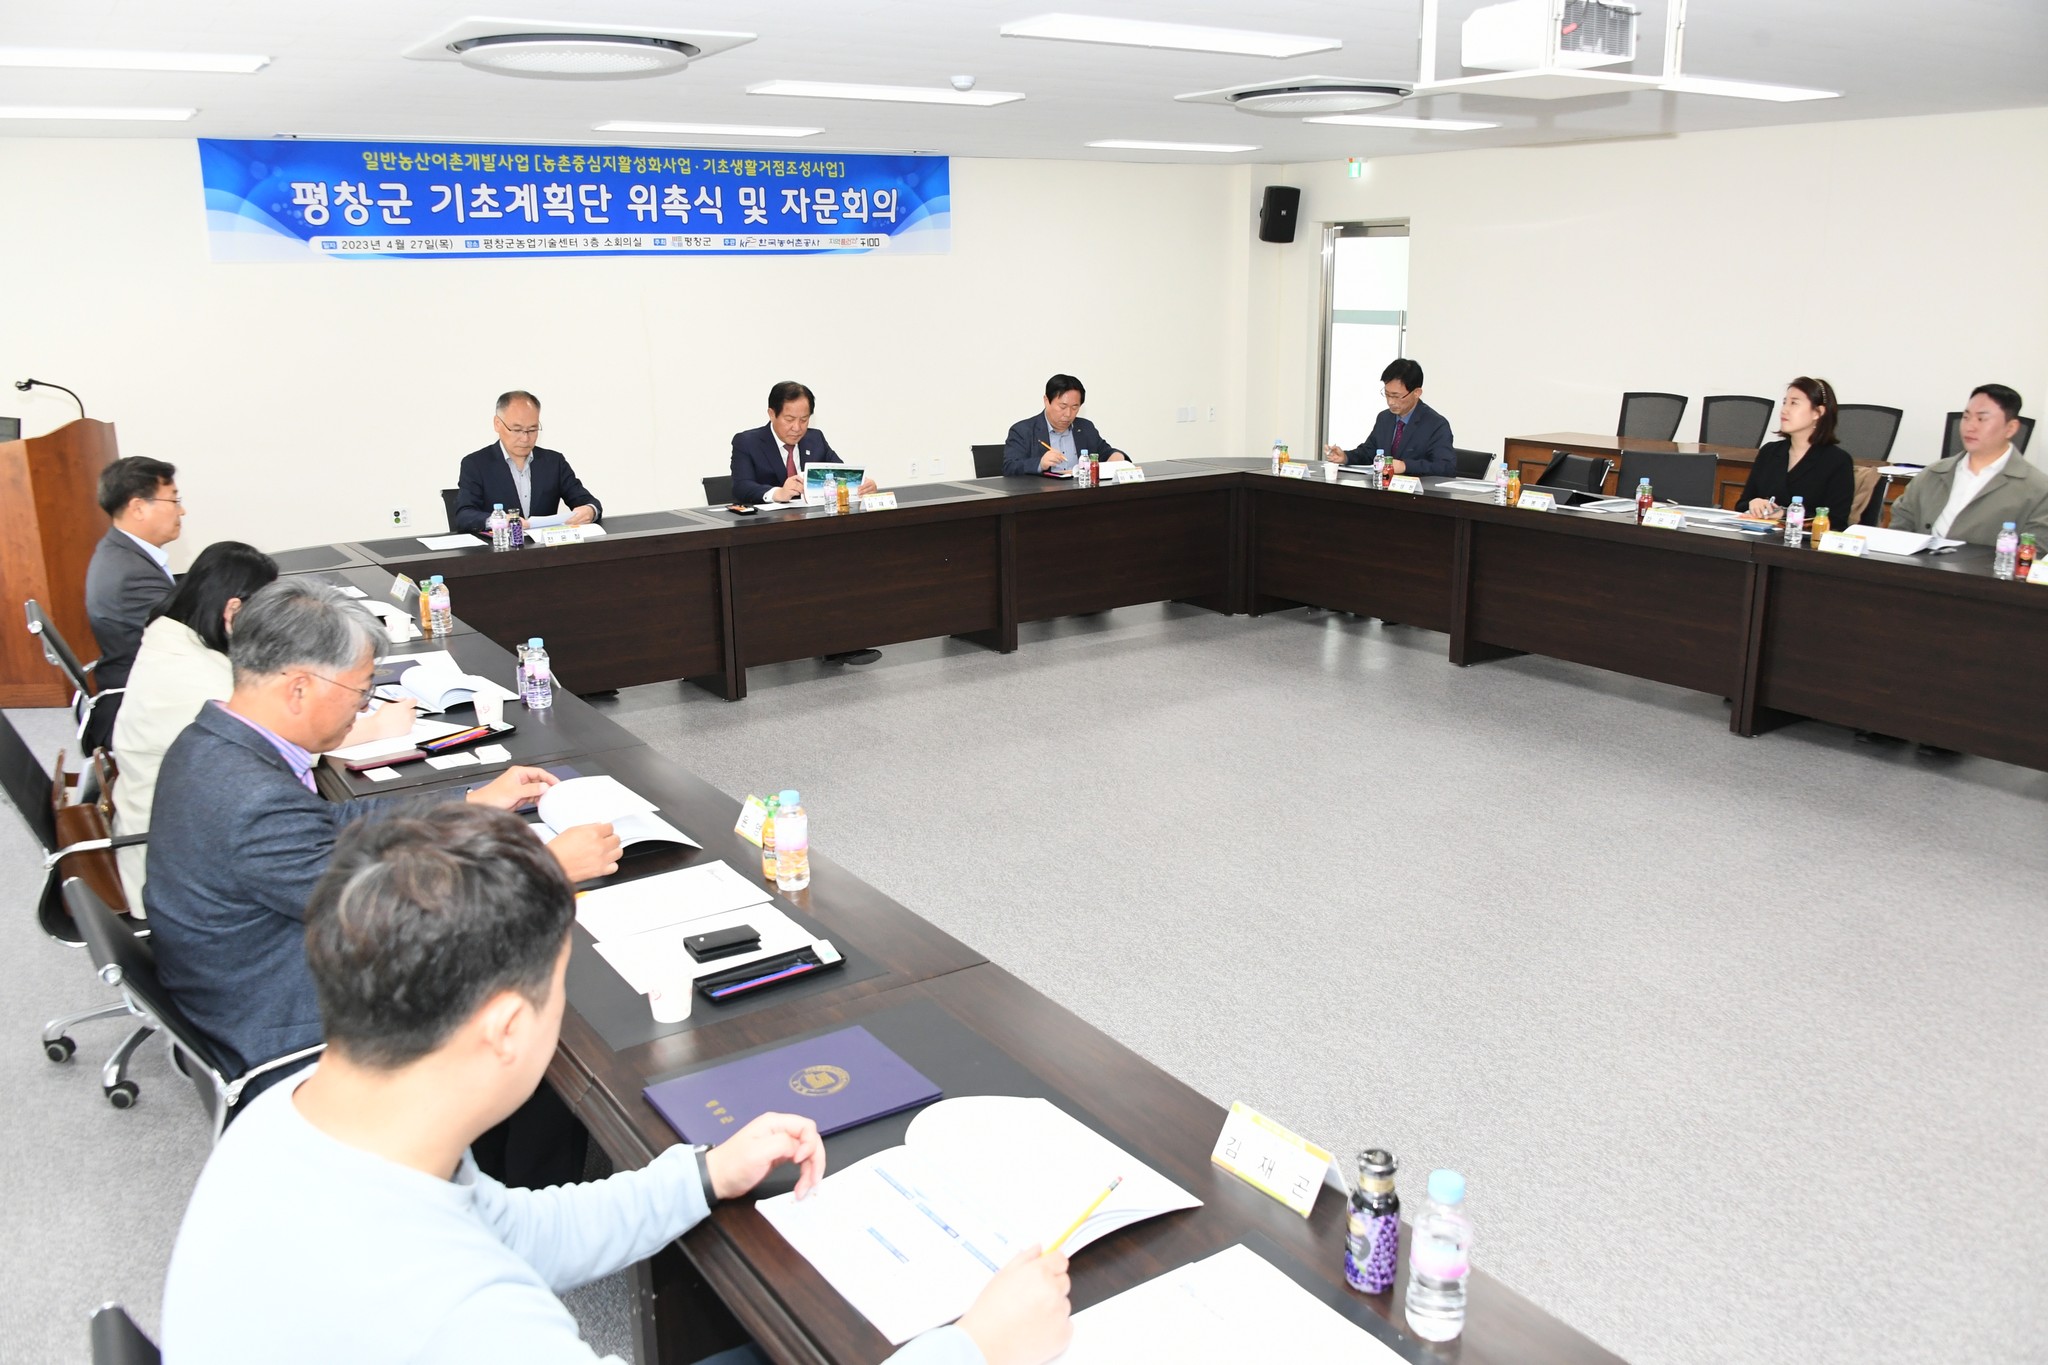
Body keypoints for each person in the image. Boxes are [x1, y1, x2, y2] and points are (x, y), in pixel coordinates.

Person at [160, 803, 1075, 1365]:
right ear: (506, 1027)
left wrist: (700, 1175)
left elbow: (516, 1231)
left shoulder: (291, 1114)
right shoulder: (460, 1320)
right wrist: (978, 1347)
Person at [143, 579, 621, 1183]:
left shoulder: (218, 741)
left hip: (241, 973)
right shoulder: (249, 798)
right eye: (360, 690)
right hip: (284, 1018)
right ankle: (514, 1195)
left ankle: (491, 1158)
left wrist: (470, 802)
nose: (363, 708)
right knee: (530, 1012)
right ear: (298, 687)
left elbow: (329, 828)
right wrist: (548, 866)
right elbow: (392, 912)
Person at [108, 545, 416, 909]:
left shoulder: (184, 657)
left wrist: (462, 803)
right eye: (361, 691)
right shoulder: (256, 791)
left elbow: (322, 818)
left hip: (188, 860)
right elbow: (361, 907)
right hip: (191, 879)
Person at [83, 455, 183, 751]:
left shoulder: (120, 551)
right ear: (138, 508)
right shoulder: (131, 574)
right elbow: (187, 640)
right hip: (140, 703)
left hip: (128, 677)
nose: (182, 510)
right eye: (174, 500)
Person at [1890, 384, 2048, 545]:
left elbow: (2035, 550)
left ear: (2011, 428)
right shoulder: (1933, 474)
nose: (1969, 427)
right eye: (1966, 417)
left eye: (1981, 419)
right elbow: (1899, 528)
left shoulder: (2038, 489)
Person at [454, 391, 603, 533]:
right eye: (517, 430)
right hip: (499, 548)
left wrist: (590, 510)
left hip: (544, 548)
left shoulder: (554, 462)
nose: (525, 438)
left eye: (532, 430)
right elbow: (464, 515)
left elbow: (589, 502)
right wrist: (498, 521)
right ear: (497, 424)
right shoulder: (476, 464)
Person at [730, 380, 879, 505]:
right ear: (772, 414)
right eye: (789, 419)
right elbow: (742, 486)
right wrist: (778, 493)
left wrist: (862, 485)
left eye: (804, 420)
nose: (797, 427)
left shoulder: (815, 439)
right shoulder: (747, 442)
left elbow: (840, 474)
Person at [1737, 377, 1856, 522]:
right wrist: (1753, 503)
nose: (1784, 410)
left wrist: (1785, 514)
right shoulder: (1769, 452)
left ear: (1818, 412)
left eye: (1794, 403)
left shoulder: (1837, 461)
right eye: (1784, 403)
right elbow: (1741, 505)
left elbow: (1836, 521)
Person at [1324, 359, 1456, 477]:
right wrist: (1345, 457)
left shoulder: (1435, 424)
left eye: (1396, 396)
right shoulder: (1384, 418)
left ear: (1417, 393)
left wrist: (1405, 466)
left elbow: (1445, 467)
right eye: (1387, 394)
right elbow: (1369, 452)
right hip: (1382, 490)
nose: (1390, 402)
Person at [1002, 375, 1130, 477]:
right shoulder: (1023, 431)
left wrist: (1117, 456)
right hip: (1042, 496)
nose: (1068, 414)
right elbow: (1009, 468)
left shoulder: (1085, 428)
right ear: (1046, 401)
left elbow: (1105, 452)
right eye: (1062, 406)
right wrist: (1040, 463)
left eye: (1075, 407)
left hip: (1081, 495)